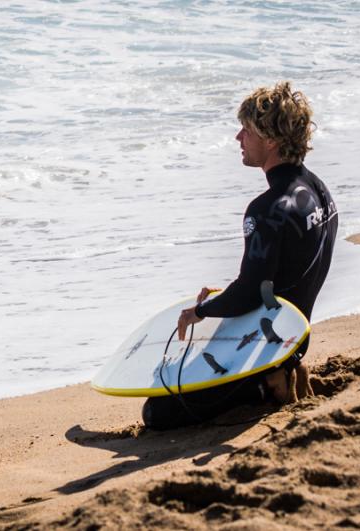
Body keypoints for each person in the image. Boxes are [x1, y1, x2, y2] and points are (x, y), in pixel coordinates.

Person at [143, 81, 338, 430]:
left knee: (156, 414)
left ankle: (269, 386)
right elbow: (285, 275)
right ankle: (288, 368)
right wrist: (229, 296)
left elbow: (250, 292)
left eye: (246, 130)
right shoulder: (319, 190)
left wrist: (200, 311)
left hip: (267, 349)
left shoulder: (266, 209)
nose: (238, 138)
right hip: (296, 336)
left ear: (271, 140)